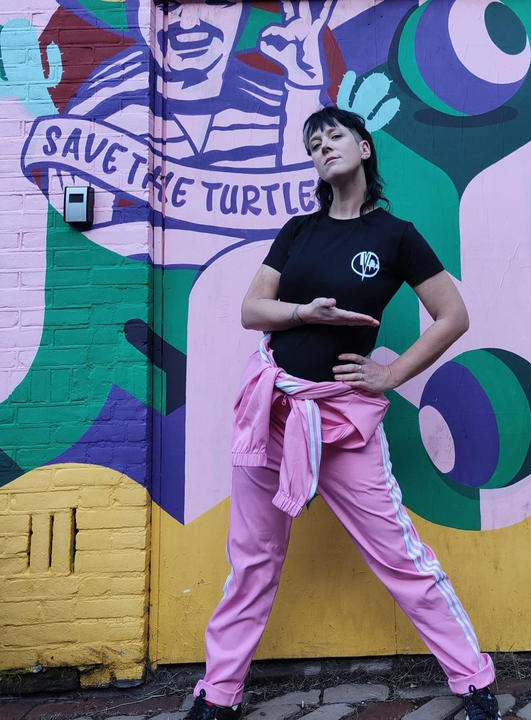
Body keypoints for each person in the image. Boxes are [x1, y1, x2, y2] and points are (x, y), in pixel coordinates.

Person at [185, 107, 501, 720]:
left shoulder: (396, 236)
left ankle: (474, 680)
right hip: (272, 413)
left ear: (364, 146)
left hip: (343, 421)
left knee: (401, 558)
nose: (323, 146)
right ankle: (218, 694)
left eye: (334, 135)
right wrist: (303, 313)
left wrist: (391, 375)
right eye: (313, 143)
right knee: (251, 562)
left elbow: (453, 316)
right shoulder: (298, 230)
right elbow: (252, 310)